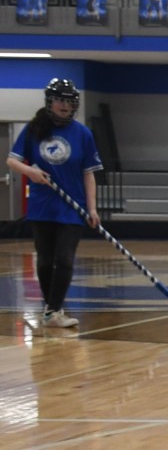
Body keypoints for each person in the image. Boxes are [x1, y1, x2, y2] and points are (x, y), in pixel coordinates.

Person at [6, 79, 101, 331]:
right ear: (50, 102)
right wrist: (31, 172)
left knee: (65, 259)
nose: (64, 105)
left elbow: (88, 173)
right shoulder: (33, 130)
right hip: (42, 205)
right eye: (60, 100)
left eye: (69, 101)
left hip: (72, 207)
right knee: (46, 260)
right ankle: (51, 310)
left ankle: (54, 309)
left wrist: (92, 208)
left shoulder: (83, 134)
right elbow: (12, 161)